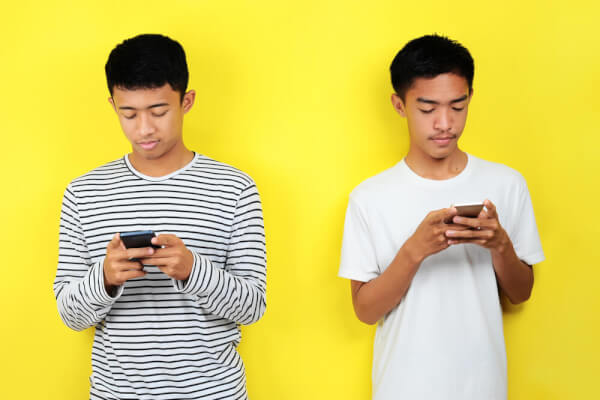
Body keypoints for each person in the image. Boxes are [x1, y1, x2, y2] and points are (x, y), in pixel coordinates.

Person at [53, 34, 266, 400]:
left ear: (186, 101)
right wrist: (104, 279)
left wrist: (193, 270)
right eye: (129, 114)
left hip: (213, 392)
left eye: (158, 111)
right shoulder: (83, 193)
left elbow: (252, 307)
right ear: (113, 105)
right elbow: (71, 316)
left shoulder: (235, 188)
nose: (144, 129)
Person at [338, 34, 544, 400]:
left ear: (470, 99)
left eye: (457, 107)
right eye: (428, 109)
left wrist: (500, 246)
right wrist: (414, 250)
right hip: (402, 388)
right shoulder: (369, 198)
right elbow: (365, 311)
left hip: (484, 387)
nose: (445, 123)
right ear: (399, 105)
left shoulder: (506, 183)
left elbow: (521, 293)